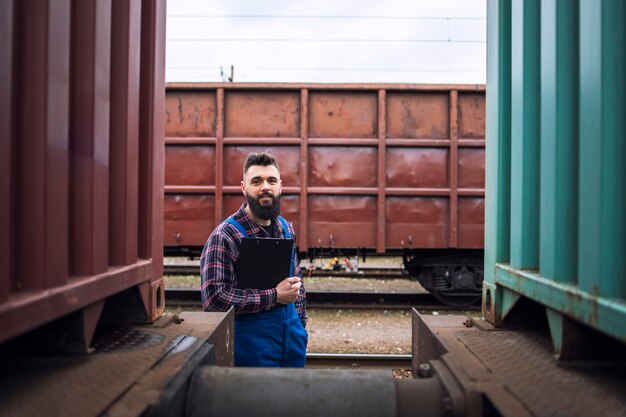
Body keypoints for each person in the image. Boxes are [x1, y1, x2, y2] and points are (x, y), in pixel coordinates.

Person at [200, 152, 308, 367]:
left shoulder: (286, 229)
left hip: (292, 343)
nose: (265, 187)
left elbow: (297, 283)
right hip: (250, 350)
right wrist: (275, 296)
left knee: (293, 399)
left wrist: (301, 327)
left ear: (280, 186)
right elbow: (214, 300)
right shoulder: (227, 235)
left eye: (271, 180)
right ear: (243, 188)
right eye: (256, 181)